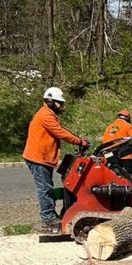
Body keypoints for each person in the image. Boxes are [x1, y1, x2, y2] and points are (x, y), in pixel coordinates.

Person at [23, 87, 89, 231]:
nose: (61, 106)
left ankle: (51, 215)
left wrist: (78, 139)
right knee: (45, 189)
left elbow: (61, 130)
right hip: (38, 158)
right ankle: (48, 220)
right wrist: (79, 142)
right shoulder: (45, 115)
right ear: (51, 101)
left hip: (42, 157)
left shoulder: (48, 114)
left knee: (47, 187)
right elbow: (60, 132)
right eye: (59, 103)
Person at [102, 109, 132, 176]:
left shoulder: (109, 127)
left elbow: (104, 141)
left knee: (116, 175)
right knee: (131, 175)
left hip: (111, 155)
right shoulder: (127, 125)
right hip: (126, 154)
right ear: (127, 118)